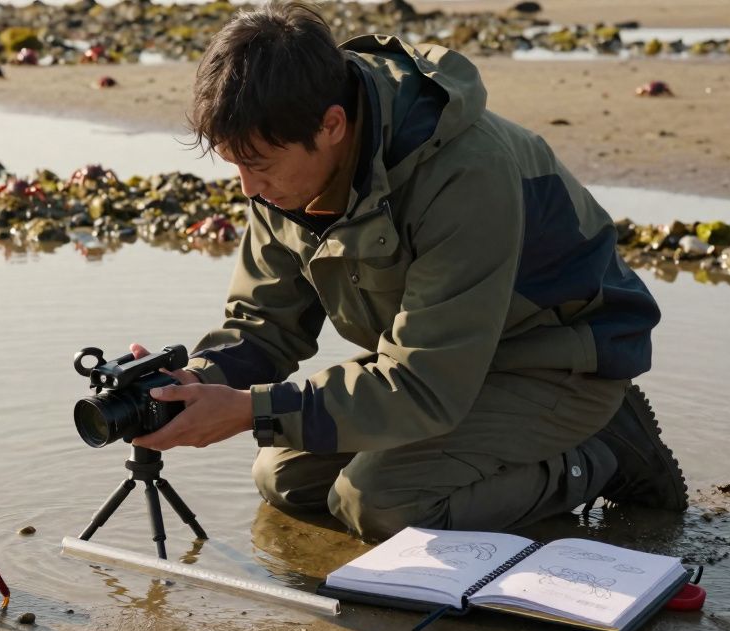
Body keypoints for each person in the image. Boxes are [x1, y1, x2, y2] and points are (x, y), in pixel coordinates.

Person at [129, 1, 687, 540]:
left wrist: (253, 409)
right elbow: (262, 326)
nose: (248, 189)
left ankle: (601, 453)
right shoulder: (283, 157)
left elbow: (423, 385)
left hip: (557, 359)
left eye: (258, 166)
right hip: (446, 354)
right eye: (235, 165)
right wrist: (195, 381)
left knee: (379, 504)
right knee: (283, 476)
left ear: (331, 125)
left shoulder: (465, 173)